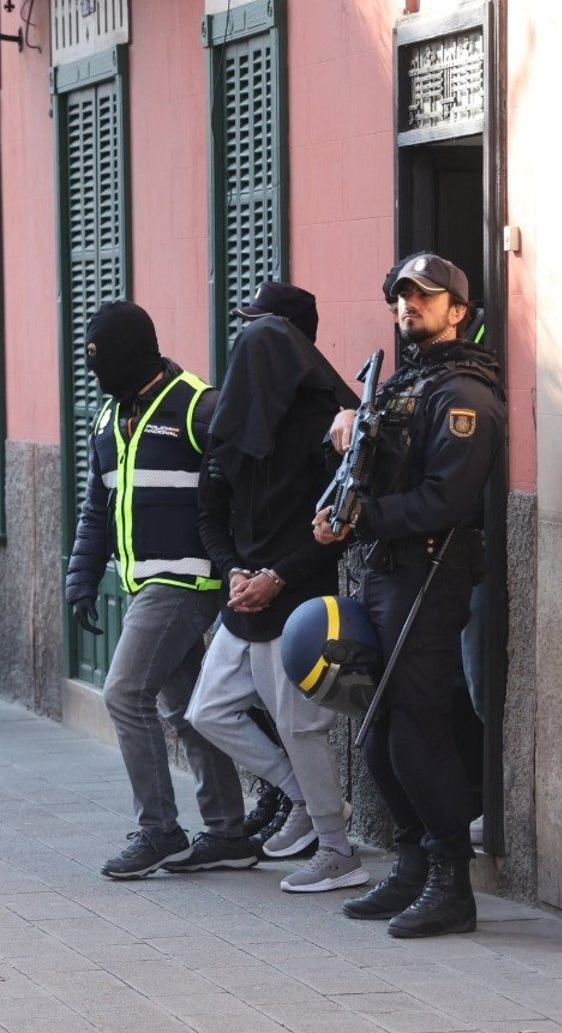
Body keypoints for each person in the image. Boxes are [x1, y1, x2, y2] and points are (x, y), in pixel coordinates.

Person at [312, 253, 505, 938]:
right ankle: (413, 864)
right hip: (385, 571)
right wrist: (342, 453)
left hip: (428, 574)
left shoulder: (464, 395)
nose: (409, 305)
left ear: (459, 310)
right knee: (378, 731)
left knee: (417, 732)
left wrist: (363, 518)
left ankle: (453, 885)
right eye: (401, 296)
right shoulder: (405, 384)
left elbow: (443, 501)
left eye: (424, 296)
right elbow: (376, 468)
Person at [63, 300, 254, 879]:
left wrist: (243, 568)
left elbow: (243, 492)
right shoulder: (108, 419)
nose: (98, 374)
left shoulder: (198, 405)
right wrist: (81, 579)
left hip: (187, 580)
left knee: (124, 694)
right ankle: (229, 833)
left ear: (134, 356)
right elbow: (96, 510)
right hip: (144, 582)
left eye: (104, 362)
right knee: (188, 709)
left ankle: (161, 833)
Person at [187, 281, 367, 894]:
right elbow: (210, 513)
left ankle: (337, 850)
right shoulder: (230, 419)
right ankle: (306, 800)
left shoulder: (327, 426)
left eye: (262, 335)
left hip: (296, 601)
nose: (246, 347)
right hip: (243, 597)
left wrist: (276, 576)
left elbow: (337, 527)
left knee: (300, 726)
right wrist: (234, 571)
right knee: (207, 710)